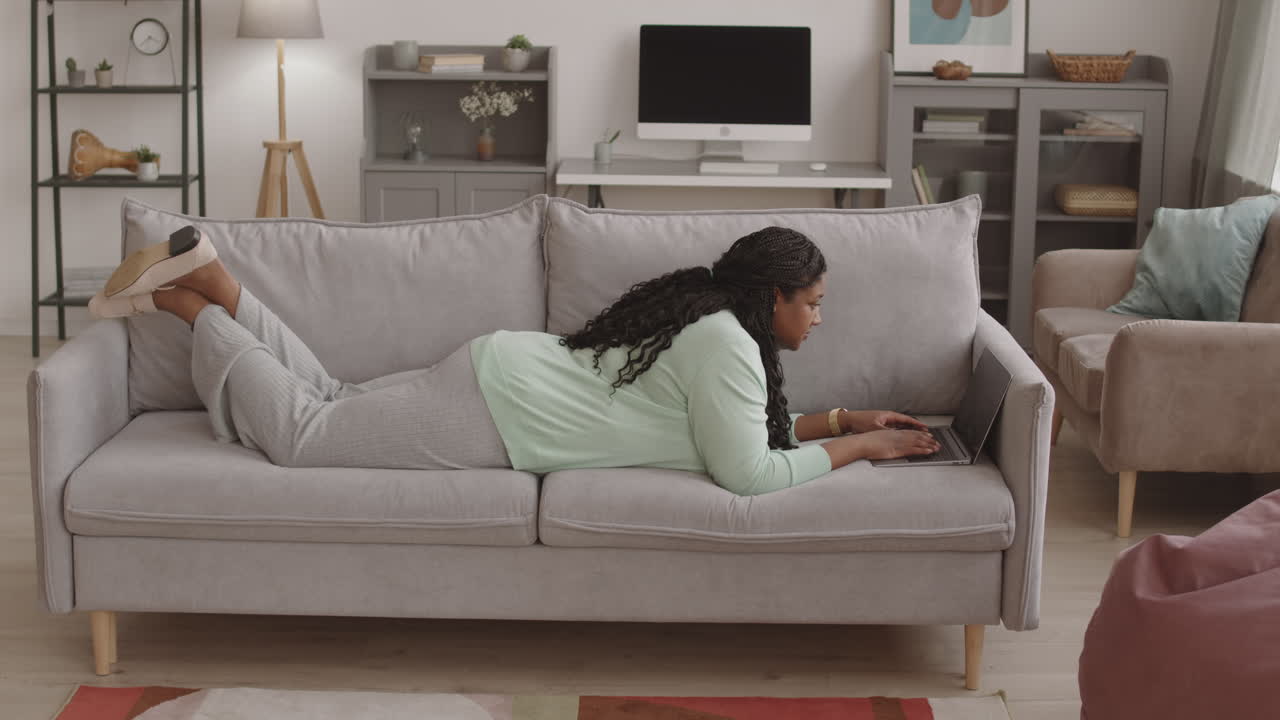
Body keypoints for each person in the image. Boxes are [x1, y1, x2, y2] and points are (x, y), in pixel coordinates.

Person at [89, 225, 940, 496]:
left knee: (329, 395)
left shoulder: (719, 325)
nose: (820, 320)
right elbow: (748, 474)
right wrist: (862, 451)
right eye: (815, 302)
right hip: (491, 415)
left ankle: (212, 279)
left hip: (497, 377)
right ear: (776, 298)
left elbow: (735, 430)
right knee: (306, 435)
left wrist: (841, 421)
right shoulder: (726, 341)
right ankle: (182, 302)